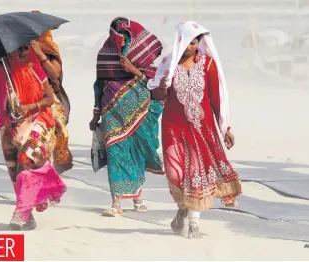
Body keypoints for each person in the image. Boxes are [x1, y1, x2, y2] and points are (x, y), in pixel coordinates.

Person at [147, 21, 242, 238]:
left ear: (199, 42)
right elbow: (157, 95)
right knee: (174, 173)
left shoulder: (208, 64)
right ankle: (182, 207)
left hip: (201, 127)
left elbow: (216, 98)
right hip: (173, 126)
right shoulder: (168, 64)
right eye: (188, 42)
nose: (191, 46)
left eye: (195, 42)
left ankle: (194, 224)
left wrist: (225, 127)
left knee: (196, 175)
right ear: (180, 41)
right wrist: (162, 88)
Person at [0, 45, 66, 230]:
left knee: (27, 159)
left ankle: (19, 213)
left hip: (36, 120)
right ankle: (28, 215)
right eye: (19, 48)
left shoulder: (35, 68)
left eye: (26, 48)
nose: (23, 52)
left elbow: (49, 98)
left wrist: (29, 107)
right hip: (9, 125)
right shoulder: (1, 67)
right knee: (16, 173)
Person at [90, 17, 165, 217]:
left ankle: (137, 196)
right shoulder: (104, 55)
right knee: (115, 154)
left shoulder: (142, 57)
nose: (121, 40)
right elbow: (99, 86)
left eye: (125, 36)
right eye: (118, 36)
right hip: (111, 113)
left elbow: (155, 85)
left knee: (136, 154)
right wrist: (95, 114)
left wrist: (133, 70)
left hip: (140, 113)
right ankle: (116, 202)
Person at [27, 18, 73, 171]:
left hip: (48, 101)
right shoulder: (20, 50)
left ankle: (51, 179)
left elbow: (54, 73)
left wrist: (39, 53)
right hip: (25, 101)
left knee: (50, 142)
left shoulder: (48, 48)